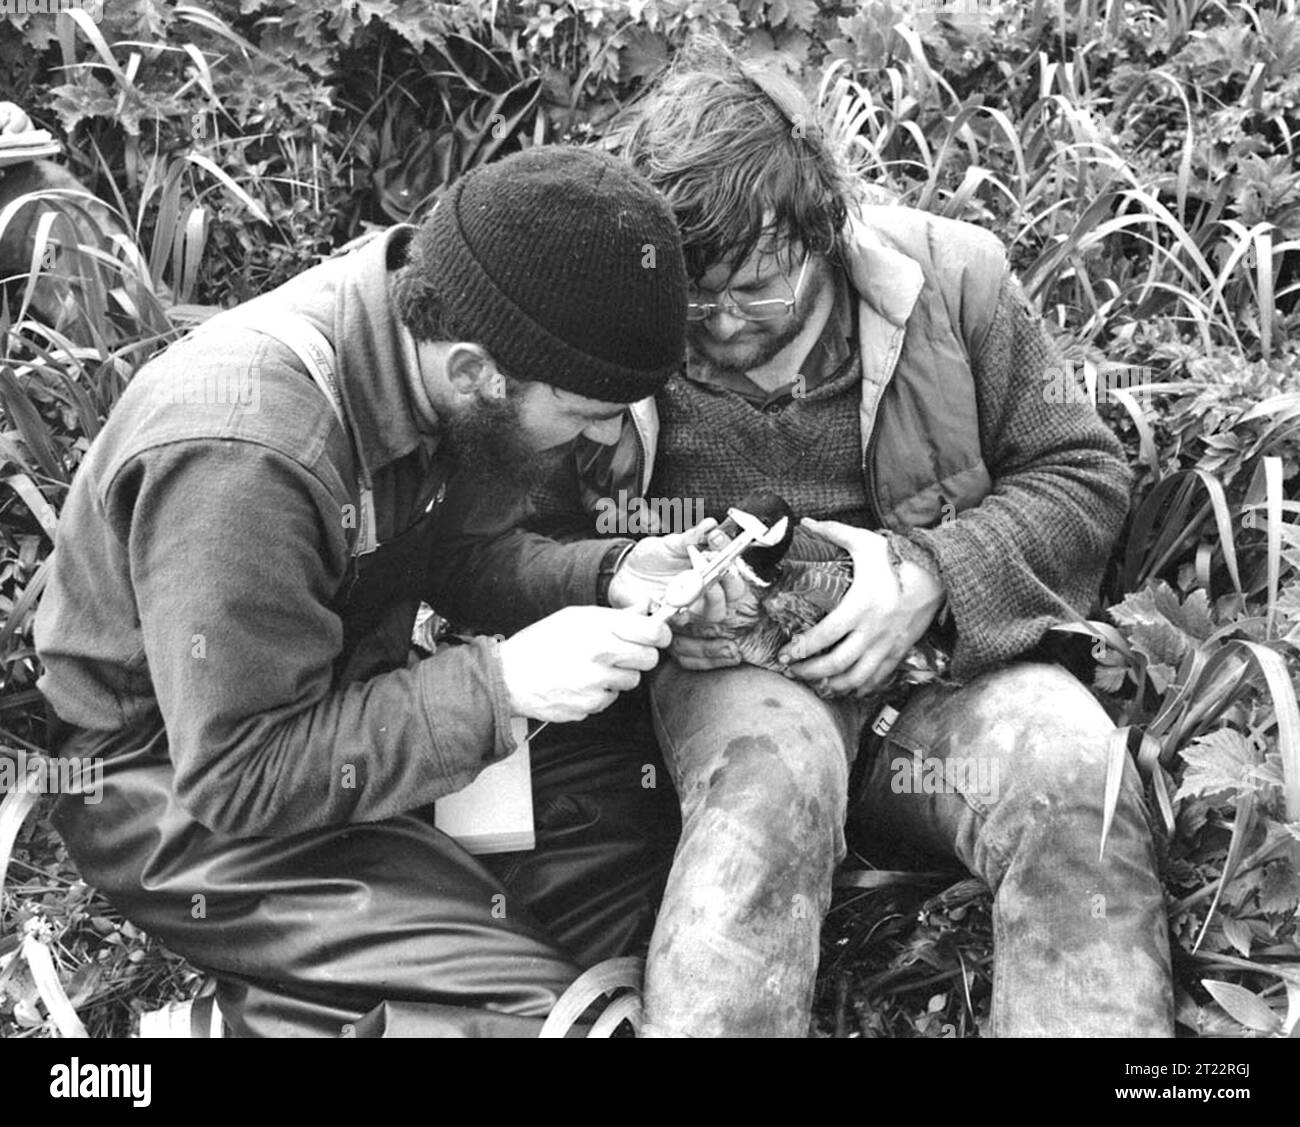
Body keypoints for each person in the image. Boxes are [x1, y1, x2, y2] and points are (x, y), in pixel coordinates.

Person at [432, 43, 1175, 1037]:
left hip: (946, 673)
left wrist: (930, 574)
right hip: (737, 675)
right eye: (691, 300)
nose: (721, 326)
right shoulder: (604, 326)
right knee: (765, 801)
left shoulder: (954, 285)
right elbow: (488, 547)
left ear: (823, 231)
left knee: (1075, 771)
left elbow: (1081, 476)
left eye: (758, 292)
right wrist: (625, 575)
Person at [34, 145, 725, 1036]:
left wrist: (610, 573)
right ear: (478, 371)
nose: (587, 442)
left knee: (623, 823)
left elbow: (456, 557)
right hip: (166, 781)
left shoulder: (430, 322)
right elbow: (240, 774)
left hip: (333, 700)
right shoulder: (247, 460)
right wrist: (500, 685)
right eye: (585, 415)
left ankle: (320, 993)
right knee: (557, 1020)